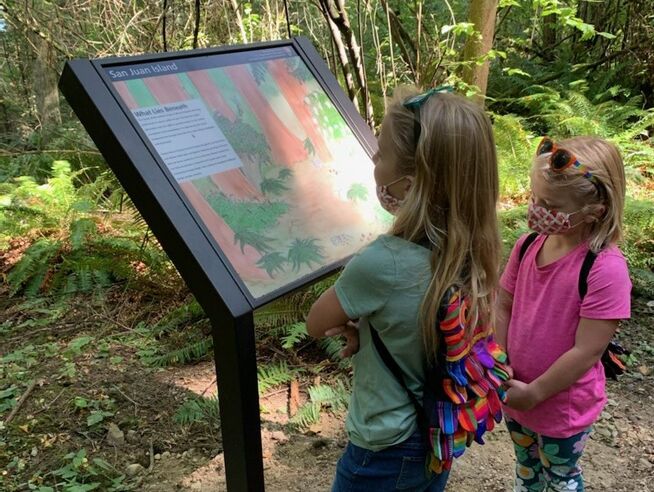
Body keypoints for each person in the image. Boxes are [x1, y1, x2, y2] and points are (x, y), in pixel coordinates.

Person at [306, 86, 502, 491]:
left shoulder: (382, 263)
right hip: (436, 432)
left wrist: (352, 317)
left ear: (409, 185)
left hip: (382, 448)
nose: (375, 164)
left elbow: (316, 321)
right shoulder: (469, 250)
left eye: (380, 155)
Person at [496, 136, 632, 492]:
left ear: (595, 211)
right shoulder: (528, 246)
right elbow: (503, 303)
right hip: (515, 390)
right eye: (534, 197)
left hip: (561, 406)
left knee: (560, 476)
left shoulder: (604, 269)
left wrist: (536, 392)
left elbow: (587, 351)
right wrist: (499, 358)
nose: (536, 208)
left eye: (551, 205)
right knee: (526, 469)